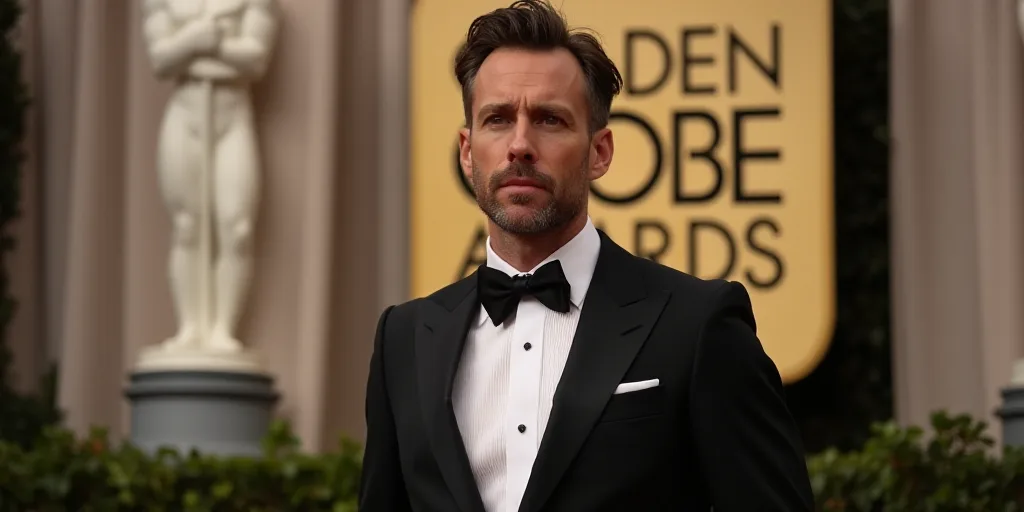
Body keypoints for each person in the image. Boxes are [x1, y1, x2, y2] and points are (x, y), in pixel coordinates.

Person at [359, 1, 814, 510]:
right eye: (498, 119)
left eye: (550, 119)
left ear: (600, 151)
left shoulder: (697, 324)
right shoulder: (403, 338)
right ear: (467, 151)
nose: (520, 145)